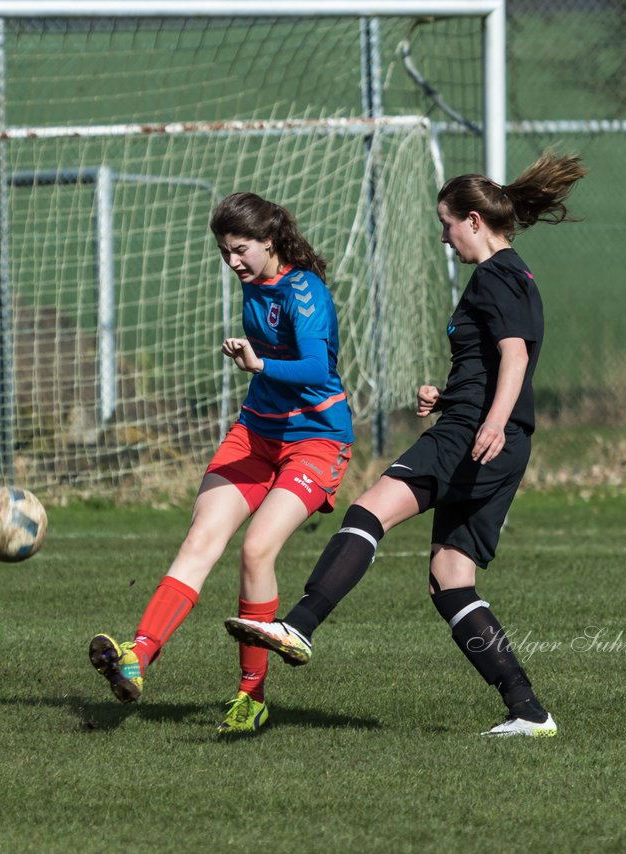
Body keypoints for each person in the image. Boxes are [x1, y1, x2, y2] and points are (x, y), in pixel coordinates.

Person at [225, 152, 587, 738]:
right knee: (451, 577)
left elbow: (516, 355)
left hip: (476, 434)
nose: (444, 239)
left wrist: (487, 420)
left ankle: (300, 625)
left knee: (369, 509)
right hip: (491, 432)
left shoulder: (496, 274)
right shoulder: (511, 275)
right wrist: (445, 395)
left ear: (473, 220)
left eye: (446, 225)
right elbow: (494, 361)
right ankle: (528, 710)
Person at [89, 192, 354, 735]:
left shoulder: (305, 292)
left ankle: (251, 697)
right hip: (255, 432)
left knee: (256, 550)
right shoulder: (252, 282)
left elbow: (313, 369)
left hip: (316, 439)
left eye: (240, 250)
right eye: (224, 252)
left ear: (270, 241)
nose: (231, 261)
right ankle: (137, 656)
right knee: (200, 539)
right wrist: (256, 366)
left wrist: (259, 363)